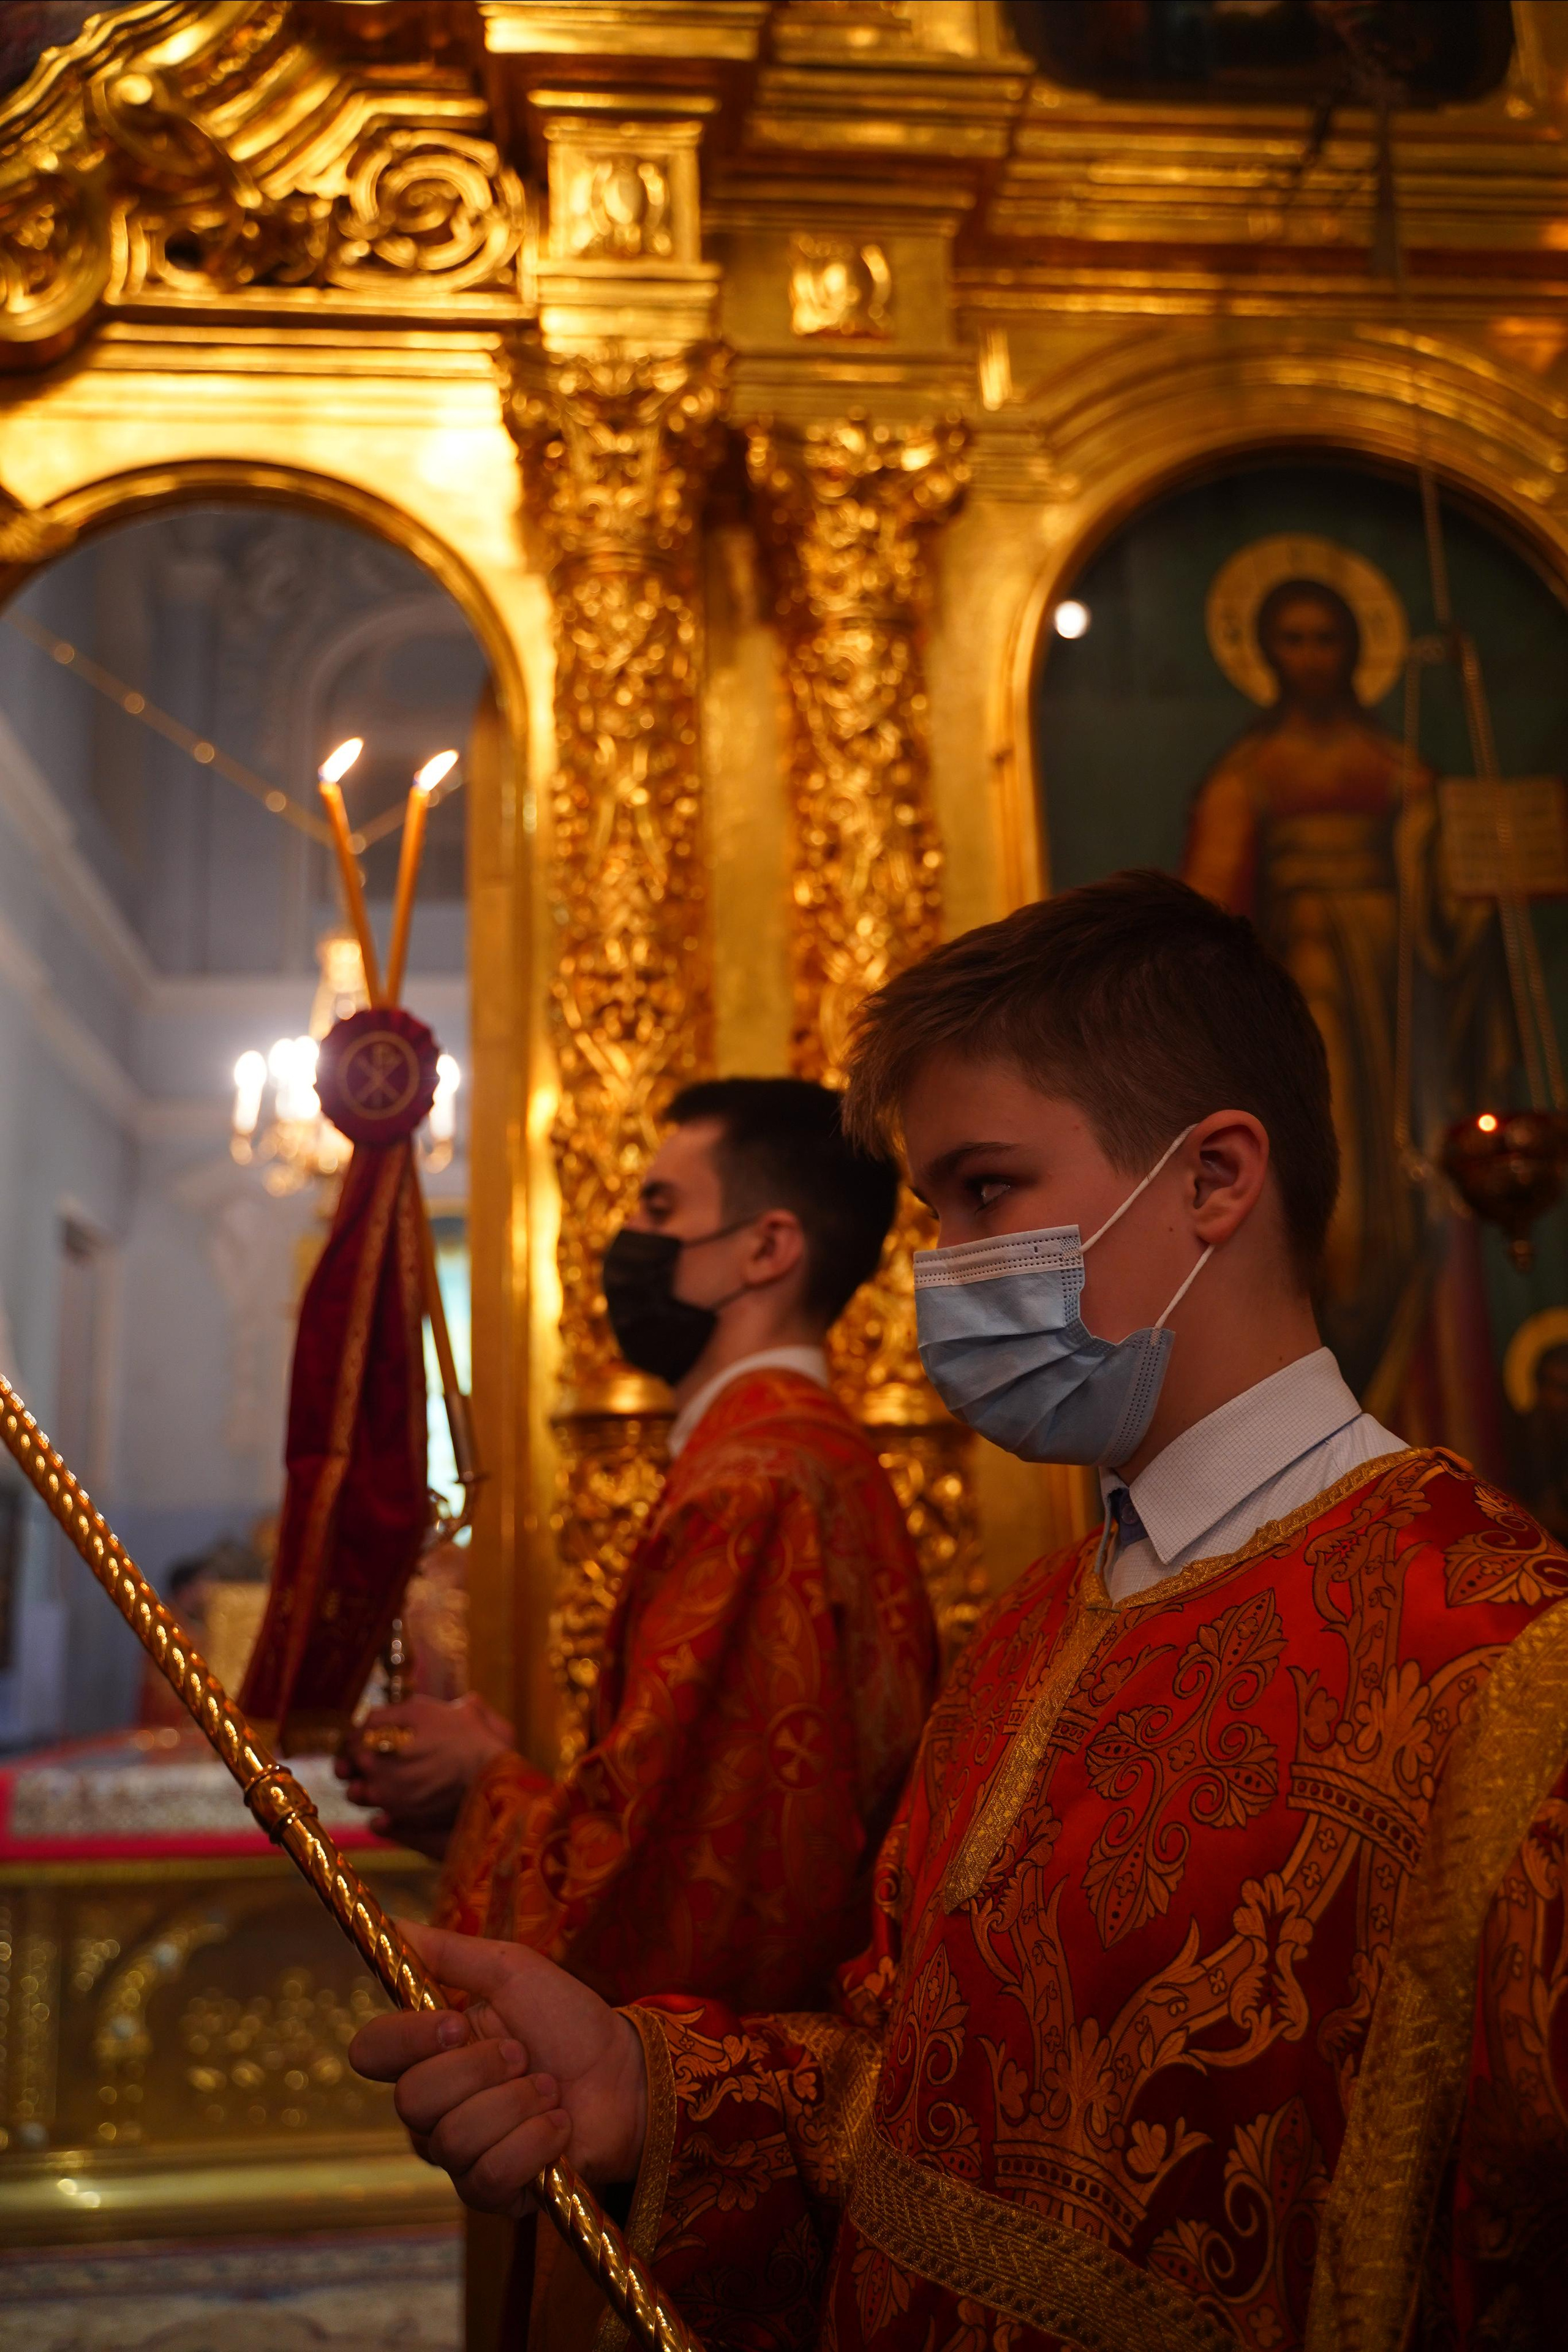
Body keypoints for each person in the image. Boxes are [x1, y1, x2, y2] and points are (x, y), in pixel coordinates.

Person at [350, 875, 1568, 2351]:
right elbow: (902, 2100)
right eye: (935, 1212)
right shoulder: (1035, 1630)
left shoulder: (1505, 1664)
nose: (943, 1269)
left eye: (986, 1192)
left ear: (1214, 1179)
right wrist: (638, 2085)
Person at [339, 1076, 938, 2016]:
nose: (627, 1239)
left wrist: (479, 1779)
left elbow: (665, 1908)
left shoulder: (754, 1487)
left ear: (768, 1248)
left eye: (660, 1206)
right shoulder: (794, 1454)